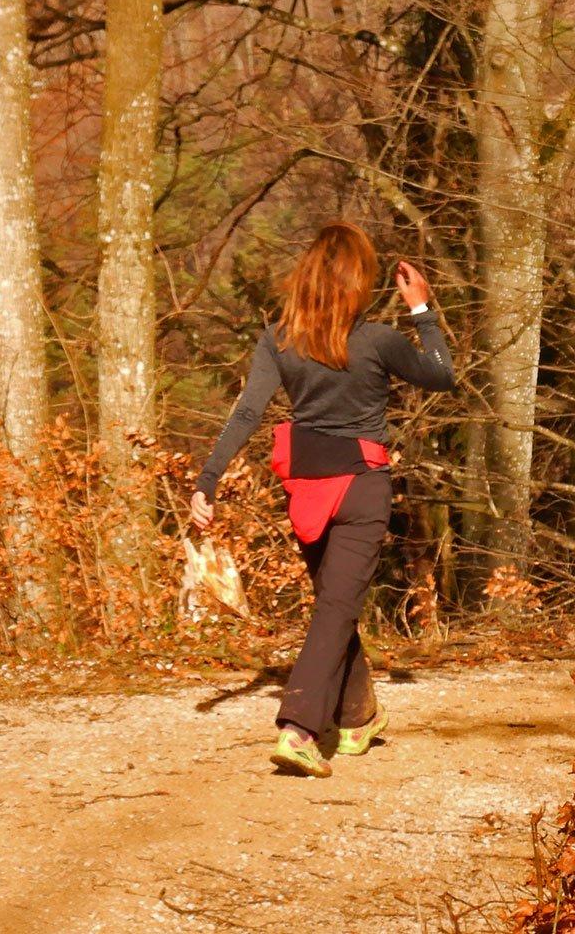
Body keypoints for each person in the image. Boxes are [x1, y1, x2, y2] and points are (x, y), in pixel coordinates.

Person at [190, 222, 455, 777]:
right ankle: (300, 729)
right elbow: (441, 374)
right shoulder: (379, 339)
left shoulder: (277, 338)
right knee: (337, 605)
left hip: (304, 485)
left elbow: (247, 412)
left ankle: (357, 719)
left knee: (337, 603)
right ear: (358, 281)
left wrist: (207, 480)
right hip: (360, 482)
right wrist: (423, 310)